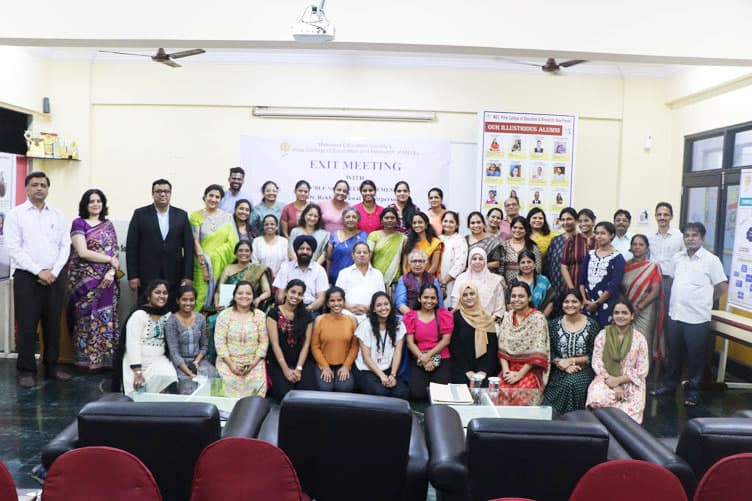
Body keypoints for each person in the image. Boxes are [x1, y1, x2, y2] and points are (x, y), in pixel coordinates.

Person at [6, 172, 72, 387]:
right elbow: (13, 248)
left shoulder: (58, 215)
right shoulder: (16, 215)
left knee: (53, 325)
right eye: (34, 184)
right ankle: (26, 371)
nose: (39, 188)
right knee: (27, 325)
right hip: (27, 277)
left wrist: (55, 271)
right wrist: (38, 271)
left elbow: (65, 245)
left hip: (55, 277)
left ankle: (51, 367)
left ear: (48, 189)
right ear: (27, 188)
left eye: (43, 185)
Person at [651, 222, 727, 407]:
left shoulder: (711, 260)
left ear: (702, 238)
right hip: (675, 315)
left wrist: (705, 300)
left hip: (697, 318)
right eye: (687, 235)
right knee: (674, 355)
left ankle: (693, 392)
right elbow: (674, 280)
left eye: (694, 235)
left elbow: (722, 287)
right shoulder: (678, 258)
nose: (690, 238)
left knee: (695, 358)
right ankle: (669, 386)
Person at [68, 189, 120, 371]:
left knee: (107, 317)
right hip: (85, 281)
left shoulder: (108, 225)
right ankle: (86, 361)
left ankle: (106, 361)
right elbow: (82, 252)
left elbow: (115, 253)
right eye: (91, 201)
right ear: (85, 204)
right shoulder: (79, 223)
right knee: (86, 319)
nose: (96, 204)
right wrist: (109, 260)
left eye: (99, 201)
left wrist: (111, 272)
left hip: (108, 280)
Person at [126, 178, 193, 305]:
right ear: (152, 193)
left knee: (171, 309)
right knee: (146, 309)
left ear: (170, 193)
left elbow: (189, 248)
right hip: (146, 274)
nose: (163, 194)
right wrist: (133, 275)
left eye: (166, 191)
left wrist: (188, 276)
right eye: (159, 191)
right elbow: (132, 247)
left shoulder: (181, 215)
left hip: (174, 275)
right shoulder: (140, 214)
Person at [586, 300, 649, 423]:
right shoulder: (603, 335)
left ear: (632, 316)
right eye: (617, 313)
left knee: (629, 414)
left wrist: (619, 380)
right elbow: (597, 362)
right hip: (606, 379)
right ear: (613, 316)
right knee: (597, 399)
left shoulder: (640, 339)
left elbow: (642, 369)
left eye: (624, 313)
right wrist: (613, 383)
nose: (620, 316)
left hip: (631, 381)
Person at [542, 289, 599, 414]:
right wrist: (561, 364)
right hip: (559, 369)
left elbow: (595, 355)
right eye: (566, 302)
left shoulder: (592, 325)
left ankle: (573, 419)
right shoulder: (554, 325)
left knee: (572, 383)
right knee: (561, 385)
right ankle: (555, 419)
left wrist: (571, 361)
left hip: (583, 369)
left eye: (574, 301)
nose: (570, 305)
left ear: (581, 304)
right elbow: (548, 351)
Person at [497, 281, 550, 406]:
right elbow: (502, 348)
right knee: (498, 392)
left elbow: (538, 351)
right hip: (509, 368)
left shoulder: (538, 318)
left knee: (521, 394)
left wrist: (519, 375)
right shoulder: (508, 317)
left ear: (529, 298)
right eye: (513, 296)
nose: (516, 300)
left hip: (530, 369)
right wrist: (506, 372)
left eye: (521, 296)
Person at [121, 279, 178, 394]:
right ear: (148, 296)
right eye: (157, 292)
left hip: (159, 361)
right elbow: (133, 343)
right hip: (136, 364)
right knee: (139, 395)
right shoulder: (139, 315)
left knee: (168, 376)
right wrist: (137, 371)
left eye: (165, 293)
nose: (161, 296)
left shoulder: (168, 315)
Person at [214, 281, 269, 397]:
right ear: (234, 296)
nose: (244, 296)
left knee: (256, 385)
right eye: (240, 293)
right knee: (228, 385)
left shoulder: (260, 315)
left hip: (254, 363)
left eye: (248, 293)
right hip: (228, 362)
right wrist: (231, 364)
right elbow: (220, 343)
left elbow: (264, 342)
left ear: (253, 296)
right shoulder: (224, 315)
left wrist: (253, 363)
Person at [190, 184, 238, 311]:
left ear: (221, 200)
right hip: (200, 265)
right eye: (211, 195)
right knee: (199, 297)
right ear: (204, 197)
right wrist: (205, 265)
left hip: (222, 265)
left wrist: (216, 257)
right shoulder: (196, 216)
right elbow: (195, 241)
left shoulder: (227, 217)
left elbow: (233, 244)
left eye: (217, 197)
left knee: (219, 298)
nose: (213, 199)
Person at [266, 279, 315, 400]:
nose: (296, 296)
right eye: (293, 292)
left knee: (306, 394)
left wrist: (298, 369)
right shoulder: (273, 314)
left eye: (300, 294)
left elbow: (306, 344)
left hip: (301, 361)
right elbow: (275, 344)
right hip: (279, 360)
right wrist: (286, 370)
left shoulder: (307, 315)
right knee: (284, 394)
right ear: (286, 292)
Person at [354, 292, 409, 399]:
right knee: (380, 393)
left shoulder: (399, 324)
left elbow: (397, 352)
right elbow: (366, 357)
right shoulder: (366, 325)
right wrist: (382, 376)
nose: (383, 308)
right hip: (367, 370)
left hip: (387, 368)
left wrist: (392, 375)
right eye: (379, 305)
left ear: (390, 306)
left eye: (386, 304)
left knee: (402, 392)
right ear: (374, 309)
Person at [404, 283, 453, 400]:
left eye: (433, 298)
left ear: (437, 300)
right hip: (419, 357)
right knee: (417, 394)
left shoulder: (443, 315)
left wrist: (428, 356)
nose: (429, 301)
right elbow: (410, 343)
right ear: (419, 298)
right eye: (426, 297)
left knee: (441, 394)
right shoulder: (411, 316)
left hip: (441, 357)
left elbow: (446, 340)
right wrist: (423, 358)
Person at [647, 202, 685, 354]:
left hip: (671, 282)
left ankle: (668, 356)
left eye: (666, 214)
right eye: (659, 214)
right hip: (651, 281)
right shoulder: (649, 236)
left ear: (671, 217)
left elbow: (685, 258)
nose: (662, 217)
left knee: (669, 319)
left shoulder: (679, 237)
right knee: (652, 317)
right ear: (655, 216)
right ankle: (652, 354)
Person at [165, 286, 217, 391]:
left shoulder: (200, 318)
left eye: (191, 300)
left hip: (198, 361)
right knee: (187, 384)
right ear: (178, 301)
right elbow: (174, 353)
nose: (188, 303)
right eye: (184, 299)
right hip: (180, 363)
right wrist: (191, 374)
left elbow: (204, 345)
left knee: (214, 376)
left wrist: (196, 362)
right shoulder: (172, 321)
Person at [621, 234, 664, 361]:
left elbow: (655, 291)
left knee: (643, 342)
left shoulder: (652, 266)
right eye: (634, 244)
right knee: (624, 341)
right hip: (625, 309)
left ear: (647, 248)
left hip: (645, 310)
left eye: (641, 244)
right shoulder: (624, 265)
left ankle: (643, 371)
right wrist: (626, 307)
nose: (637, 247)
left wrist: (639, 307)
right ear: (630, 247)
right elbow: (619, 287)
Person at [450, 283, 500, 385]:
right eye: (465, 295)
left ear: (477, 295)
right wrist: (467, 371)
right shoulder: (455, 317)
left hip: (484, 368)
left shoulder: (486, 318)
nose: (469, 297)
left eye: (472, 294)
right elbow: (455, 347)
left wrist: (484, 371)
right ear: (461, 298)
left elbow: (492, 347)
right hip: (462, 368)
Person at [311, 287, 359, 392]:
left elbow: (354, 346)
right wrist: (325, 367)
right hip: (323, 364)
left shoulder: (352, 320)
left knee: (345, 388)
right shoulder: (320, 320)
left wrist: (346, 366)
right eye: (332, 301)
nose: (336, 303)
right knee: (325, 388)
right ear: (328, 303)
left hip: (343, 364)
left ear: (344, 302)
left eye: (339, 300)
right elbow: (315, 346)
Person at [579, 222, 626, 328]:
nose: (599, 236)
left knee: (604, 333)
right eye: (597, 233)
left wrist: (597, 303)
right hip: (587, 304)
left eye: (603, 233)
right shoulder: (590, 255)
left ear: (612, 235)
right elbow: (581, 279)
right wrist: (584, 300)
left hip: (607, 304)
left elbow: (614, 285)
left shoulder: (617, 258)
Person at [273, 234, 328, 312]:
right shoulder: (286, 267)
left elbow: (321, 299)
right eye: (302, 248)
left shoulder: (319, 270)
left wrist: (306, 311)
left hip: (310, 309)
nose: (305, 252)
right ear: (296, 251)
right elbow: (280, 296)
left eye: (308, 249)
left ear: (312, 252)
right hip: (287, 308)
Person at [335, 242, 385, 321]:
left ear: (370, 255)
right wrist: (349, 307)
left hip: (371, 314)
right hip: (347, 314)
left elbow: (382, 298)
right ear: (353, 255)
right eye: (358, 252)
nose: (362, 255)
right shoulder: (344, 273)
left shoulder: (377, 274)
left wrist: (369, 307)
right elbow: (336, 296)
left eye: (365, 252)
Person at [451, 247, 505, 317]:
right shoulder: (461, 279)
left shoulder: (494, 280)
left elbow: (500, 308)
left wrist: (490, 321)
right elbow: (455, 304)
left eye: (481, 259)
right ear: (469, 261)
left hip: (489, 321)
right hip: (465, 320)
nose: (477, 262)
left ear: (485, 261)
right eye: (474, 259)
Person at [547, 207, 578, 314]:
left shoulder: (582, 240)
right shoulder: (556, 241)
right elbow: (548, 263)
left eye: (569, 219)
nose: (566, 222)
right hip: (556, 288)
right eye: (563, 220)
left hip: (575, 287)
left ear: (576, 220)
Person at [395, 249, 445, 315]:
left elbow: (440, 304)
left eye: (420, 261)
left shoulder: (433, 280)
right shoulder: (403, 279)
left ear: (425, 263)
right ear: (409, 263)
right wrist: (416, 317)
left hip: (430, 316)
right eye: (414, 261)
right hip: (408, 315)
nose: (417, 264)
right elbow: (400, 304)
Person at [368, 208, 407, 289]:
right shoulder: (373, 235)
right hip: (376, 278)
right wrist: (371, 275)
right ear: (381, 220)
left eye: (392, 218)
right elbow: (367, 259)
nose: (389, 220)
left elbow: (405, 262)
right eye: (386, 218)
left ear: (397, 220)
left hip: (395, 279)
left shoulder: (403, 238)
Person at [326, 207, 368, 284]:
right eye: (348, 217)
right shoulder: (335, 235)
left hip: (357, 279)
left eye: (354, 217)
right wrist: (327, 280)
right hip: (336, 278)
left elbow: (368, 259)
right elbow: (328, 259)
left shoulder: (364, 236)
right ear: (343, 220)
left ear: (358, 220)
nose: (351, 219)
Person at [560, 208, 594, 295]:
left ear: (593, 221)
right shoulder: (572, 240)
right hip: (573, 285)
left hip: (594, 287)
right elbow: (564, 266)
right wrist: (572, 289)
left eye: (586, 220)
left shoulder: (599, 239)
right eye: (580, 221)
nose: (583, 224)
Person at [501, 216, 542, 284]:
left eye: (521, 228)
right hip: (506, 285)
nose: (517, 230)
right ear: (511, 228)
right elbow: (499, 268)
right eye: (515, 227)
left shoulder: (532, 247)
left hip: (528, 286)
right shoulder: (503, 245)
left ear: (526, 230)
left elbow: (538, 269)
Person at [438, 211, 468, 303]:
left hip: (452, 282)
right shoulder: (438, 239)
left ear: (457, 225)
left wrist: (444, 283)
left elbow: (460, 264)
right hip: (436, 282)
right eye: (445, 221)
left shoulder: (459, 239)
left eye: (451, 222)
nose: (447, 224)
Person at [403, 212, 443, 276]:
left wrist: (421, 280)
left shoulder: (435, 243)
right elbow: (404, 266)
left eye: (420, 222)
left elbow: (434, 267)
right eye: (414, 223)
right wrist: (408, 279)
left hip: (427, 279)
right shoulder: (407, 241)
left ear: (426, 224)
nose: (417, 225)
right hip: (409, 279)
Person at [516, 249, 554, 317]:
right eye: (523, 262)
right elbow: (509, 304)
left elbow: (551, 302)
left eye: (529, 262)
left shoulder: (544, 281)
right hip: (519, 319)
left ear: (535, 264)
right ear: (518, 265)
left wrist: (541, 319)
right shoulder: (514, 282)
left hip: (540, 318)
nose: (526, 265)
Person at [251, 214, 288, 280]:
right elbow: (254, 261)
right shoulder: (257, 241)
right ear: (263, 227)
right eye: (266, 224)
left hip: (281, 278)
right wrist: (263, 277)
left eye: (272, 224)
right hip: (260, 278)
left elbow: (286, 261)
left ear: (277, 227)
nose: (269, 226)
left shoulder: (284, 242)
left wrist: (277, 276)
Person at [466, 211, 504, 276]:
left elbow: (497, 263)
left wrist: (475, 266)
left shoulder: (494, 241)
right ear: (468, 226)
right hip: (468, 276)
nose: (476, 225)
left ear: (484, 224)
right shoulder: (464, 240)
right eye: (472, 223)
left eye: (478, 222)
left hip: (488, 277)